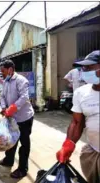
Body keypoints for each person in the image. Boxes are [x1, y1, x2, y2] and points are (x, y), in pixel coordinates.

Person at [56, 50, 100, 183]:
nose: (84, 71)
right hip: (94, 153)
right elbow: (76, 122)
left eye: (89, 67)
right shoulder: (81, 93)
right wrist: (68, 144)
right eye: (83, 68)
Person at [0, 60, 35, 179]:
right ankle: (8, 160)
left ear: (10, 69)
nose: (1, 73)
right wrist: (3, 107)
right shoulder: (6, 81)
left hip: (24, 118)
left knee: (24, 144)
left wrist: (12, 108)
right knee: (10, 140)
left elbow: (24, 97)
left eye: (3, 71)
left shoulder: (21, 81)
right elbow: (2, 96)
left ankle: (22, 169)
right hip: (11, 118)